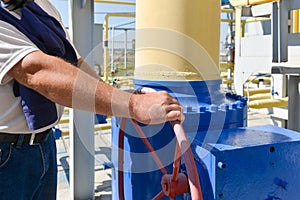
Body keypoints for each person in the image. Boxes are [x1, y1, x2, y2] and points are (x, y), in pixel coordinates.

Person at [0, 0, 184, 199]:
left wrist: (118, 100)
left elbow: (74, 63)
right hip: (7, 154)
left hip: (44, 145)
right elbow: (35, 70)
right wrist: (131, 105)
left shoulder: (42, 6)